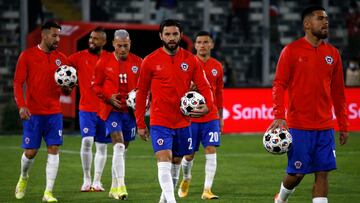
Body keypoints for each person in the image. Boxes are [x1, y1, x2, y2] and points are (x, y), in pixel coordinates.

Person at [268, 6, 349, 203]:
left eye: (327, 19)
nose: (325, 22)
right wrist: (279, 114)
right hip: (299, 126)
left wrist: (343, 124)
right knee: (296, 175)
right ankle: (281, 199)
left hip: (324, 126)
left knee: (323, 173)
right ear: (307, 24)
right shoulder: (291, 51)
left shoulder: (333, 54)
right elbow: (279, 84)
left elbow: (338, 93)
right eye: (320, 19)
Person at [135, 19, 214, 203]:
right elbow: (142, 94)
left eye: (175, 34)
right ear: (161, 36)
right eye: (168, 34)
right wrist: (140, 123)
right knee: (164, 158)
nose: (171, 38)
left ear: (180, 35)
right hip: (160, 120)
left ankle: (165, 200)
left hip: (183, 121)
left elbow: (204, 85)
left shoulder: (190, 60)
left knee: (176, 161)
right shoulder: (150, 61)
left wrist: (208, 105)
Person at [13, 21, 73, 202]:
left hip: (54, 113)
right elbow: (18, 83)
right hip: (34, 113)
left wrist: (68, 88)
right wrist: (22, 105)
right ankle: (23, 177)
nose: (58, 39)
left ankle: (48, 192)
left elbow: (66, 88)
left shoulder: (62, 58)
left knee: (54, 149)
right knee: (31, 152)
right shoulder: (27, 56)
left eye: (59, 36)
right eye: (54, 35)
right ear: (44, 35)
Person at [91, 29, 142, 200]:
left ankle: (113, 187)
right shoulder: (103, 62)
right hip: (111, 110)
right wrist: (107, 97)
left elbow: (145, 88)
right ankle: (121, 186)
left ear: (130, 44)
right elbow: (95, 86)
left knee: (122, 149)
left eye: (125, 46)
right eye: (119, 46)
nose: (122, 49)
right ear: (113, 44)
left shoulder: (138, 62)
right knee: (119, 146)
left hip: (129, 112)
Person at [177, 31, 223, 200]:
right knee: (189, 155)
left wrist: (221, 116)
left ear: (211, 45)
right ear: (195, 45)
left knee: (211, 150)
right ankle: (186, 179)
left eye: (206, 42)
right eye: (199, 42)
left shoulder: (217, 66)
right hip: (192, 117)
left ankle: (207, 190)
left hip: (210, 117)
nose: (202, 45)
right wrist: (188, 88)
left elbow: (219, 94)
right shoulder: (187, 64)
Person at [68, 28, 111, 192]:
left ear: (104, 42)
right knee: (87, 141)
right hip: (86, 108)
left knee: (102, 146)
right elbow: (62, 69)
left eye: (96, 39)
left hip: (105, 109)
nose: (92, 41)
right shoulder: (78, 57)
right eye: (91, 38)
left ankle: (97, 181)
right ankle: (86, 179)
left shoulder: (109, 58)